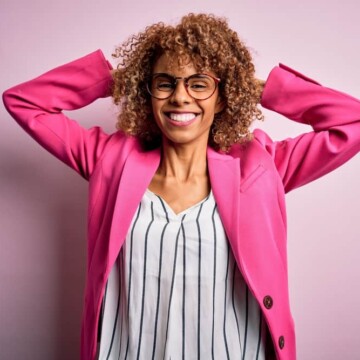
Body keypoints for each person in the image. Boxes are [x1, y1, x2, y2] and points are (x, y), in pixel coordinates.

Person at [2, 13, 360, 360]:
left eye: (199, 83)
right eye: (165, 83)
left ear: (222, 97)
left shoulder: (260, 168)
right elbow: (24, 102)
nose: (180, 97)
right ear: (149, 92)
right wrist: (118, 80)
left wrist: (257, 87)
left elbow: (352, 122)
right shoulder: (109, 161)